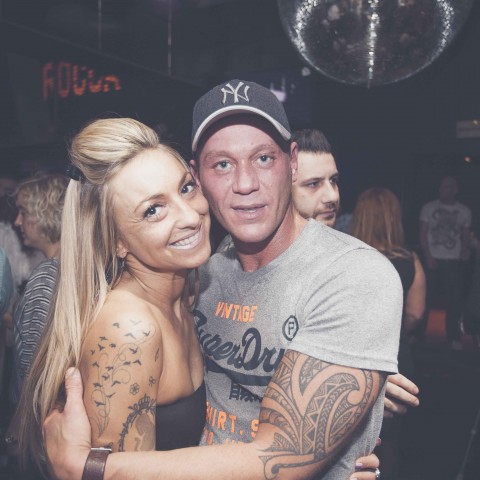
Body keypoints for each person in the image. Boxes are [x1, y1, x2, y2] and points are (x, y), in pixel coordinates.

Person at [43, 79, 403, 480]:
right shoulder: (204, 274)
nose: (245, 184)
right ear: (200, 173)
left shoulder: (355, 276)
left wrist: (359, 379)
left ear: (292, 161)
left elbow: (285, 454)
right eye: (222, 164)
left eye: (263, 158)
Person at [18, 118, 212, 476]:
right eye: (153, 210)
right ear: (118, 242)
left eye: (186, 188)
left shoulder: (182, 296)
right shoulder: (130, 329)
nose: (191, 215)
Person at [291, 129, 420, 416]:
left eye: (333, 181)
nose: (332, 195)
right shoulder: (259, 263)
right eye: (313, 184)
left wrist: (367, 383)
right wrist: (353, 384)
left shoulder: (357, 265)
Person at [350, 187, 426, 480]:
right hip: (396, 360)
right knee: (390, 441)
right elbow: (415, 314)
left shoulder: (347, 259)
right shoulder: (409, 260)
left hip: (352, 361)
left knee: (350, 441)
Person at [11, 174, 68, 399]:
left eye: (23, 212)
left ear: (46, 213)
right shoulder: (69, 267)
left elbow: (34, 369)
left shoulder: (47, 275)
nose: (17, 221)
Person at [419, 175, 472, 350]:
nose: (443, 190)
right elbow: (423, 234)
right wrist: (428, 256)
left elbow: (465, 235)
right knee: (425, 298)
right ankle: (417, 335)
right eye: (442, 186)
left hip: (453, 261)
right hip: (433, 258)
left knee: (454, 300)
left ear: (455, 190)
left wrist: (464, 251)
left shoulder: (464, 211)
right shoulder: (429, 208)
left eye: (447, 187)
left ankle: (453, 337)